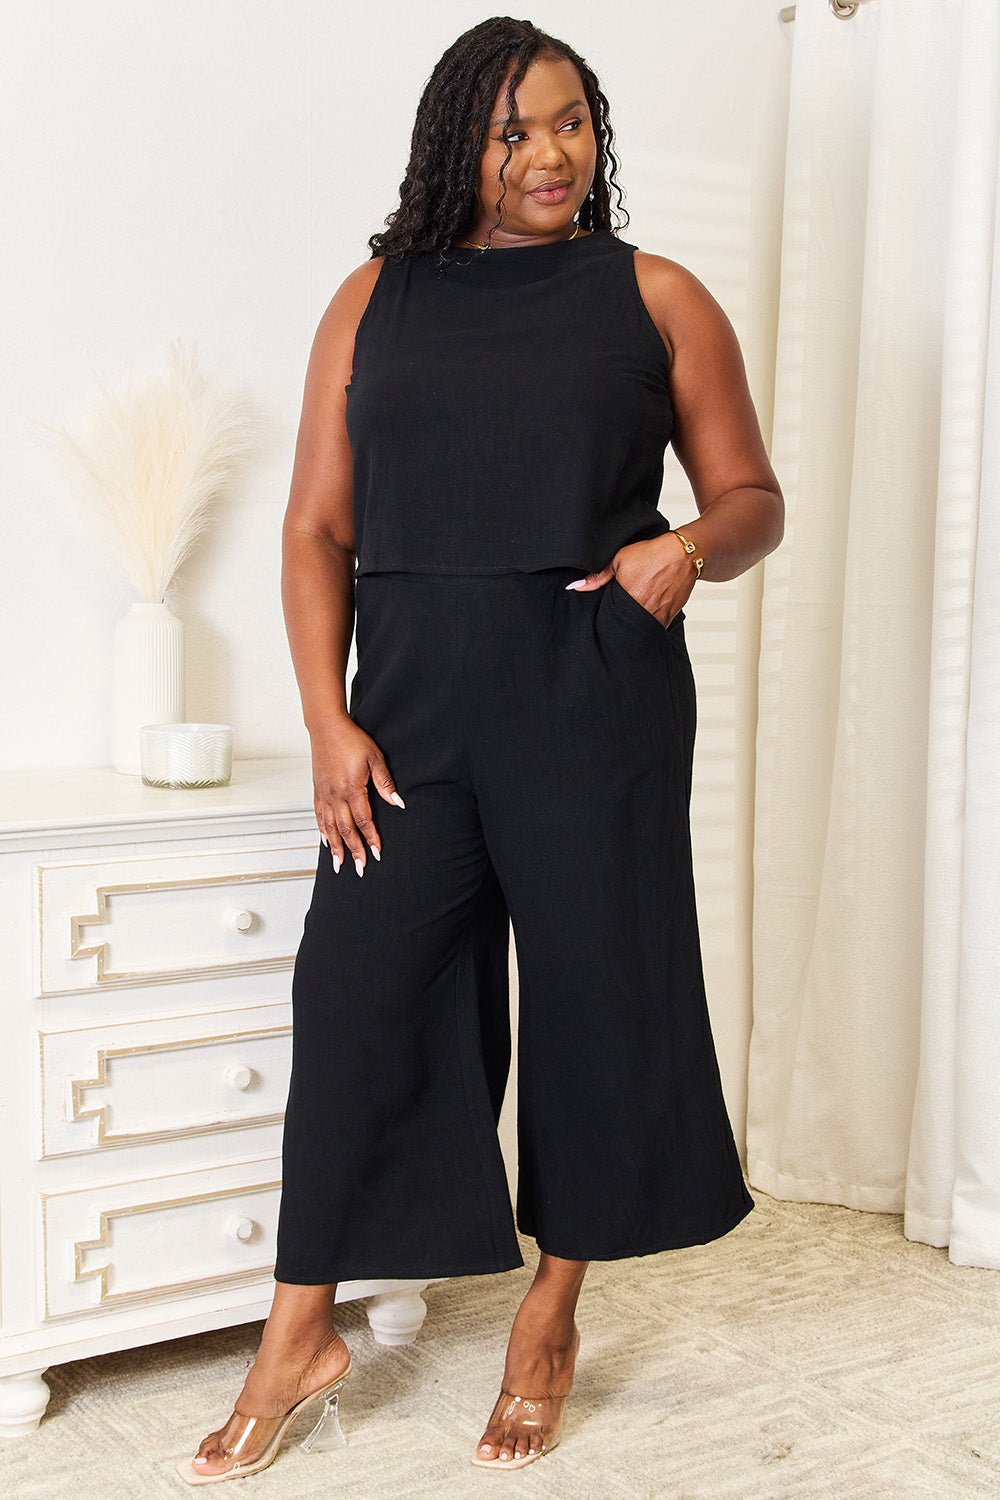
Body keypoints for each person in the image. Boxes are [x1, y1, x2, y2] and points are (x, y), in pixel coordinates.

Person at [176, 15, 783, 1484]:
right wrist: (329, 716)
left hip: (593, 702)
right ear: (458, 141)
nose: (549, 155)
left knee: (598, 1004)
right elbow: (318, 526)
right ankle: (299, 1327)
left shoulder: (656, 295)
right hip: (413, 718)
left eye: (570, 122)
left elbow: (753, 495)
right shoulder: (372, 299)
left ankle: (553, 1309)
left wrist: (683, 552)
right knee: (360, 999)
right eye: (513, 131)